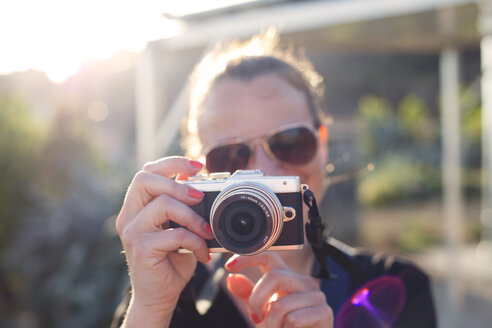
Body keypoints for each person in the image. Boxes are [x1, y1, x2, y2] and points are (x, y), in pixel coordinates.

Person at [112, 30, 436, 328]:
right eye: (231, 156)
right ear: (200, 171)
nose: (264, 172)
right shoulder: (167, 299)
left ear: (321, 145)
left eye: (290, 143)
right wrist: (150, 308)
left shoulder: (394, 290)